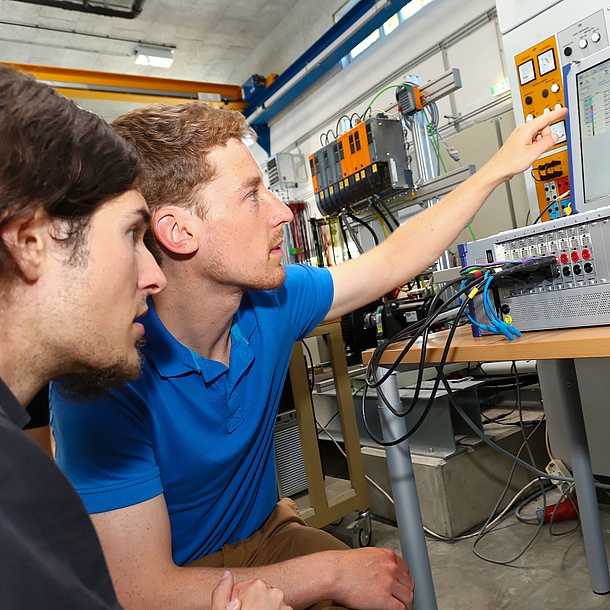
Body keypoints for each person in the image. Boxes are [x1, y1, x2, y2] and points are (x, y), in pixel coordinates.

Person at [50, 100, 567, 610]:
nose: (281, 212)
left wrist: (498, 169)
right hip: (178, 581)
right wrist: (328, 572)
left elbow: (391, 260)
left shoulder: (272, 301)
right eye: (253, 195)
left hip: (269, 533)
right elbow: (141, 590)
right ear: (179, 231)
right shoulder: (103, 376)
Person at [0, 64, 289, 610]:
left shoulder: (22, 457)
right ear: (30, 243)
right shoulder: (15, 498)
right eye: (132, 232)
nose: (152, 275)